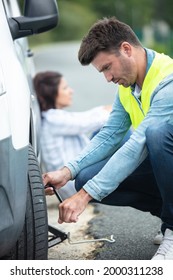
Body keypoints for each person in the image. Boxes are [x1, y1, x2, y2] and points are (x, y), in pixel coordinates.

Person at [42, 17, 173, 260]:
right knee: (85, 177)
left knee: (155, 134)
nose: (108, 78)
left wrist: (84, 197)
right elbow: (110, 135)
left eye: (107, 67)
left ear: (126, 49)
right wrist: (67, 171)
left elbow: (137, 145)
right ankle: (168, 219)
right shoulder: (127, 87)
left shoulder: (168, 80)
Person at [33, 71, 112, 200]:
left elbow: (84, 116)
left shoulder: (51, 116)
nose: (71, 91)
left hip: (73, 178)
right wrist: (116, 110)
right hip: (72, 184)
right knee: (118, 133)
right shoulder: (53, 119)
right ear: (51, 93)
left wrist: (105, 108)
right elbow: (89, 122)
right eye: (65, 88)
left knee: (106, 133)